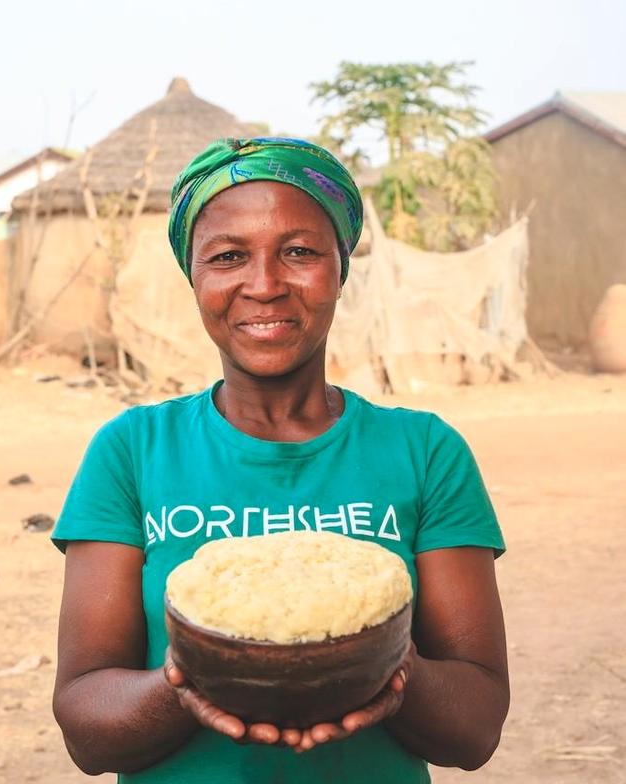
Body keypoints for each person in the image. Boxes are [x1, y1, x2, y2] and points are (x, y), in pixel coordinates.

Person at [51, 137, 509, 784]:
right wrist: (190, 683)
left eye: (299, 252)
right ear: (195, 277)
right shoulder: (131, 452)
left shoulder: (426, 453)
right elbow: (86, 730)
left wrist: (381, 667)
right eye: (228, 256)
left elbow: (477, 727)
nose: (264, 286)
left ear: (340, 270)